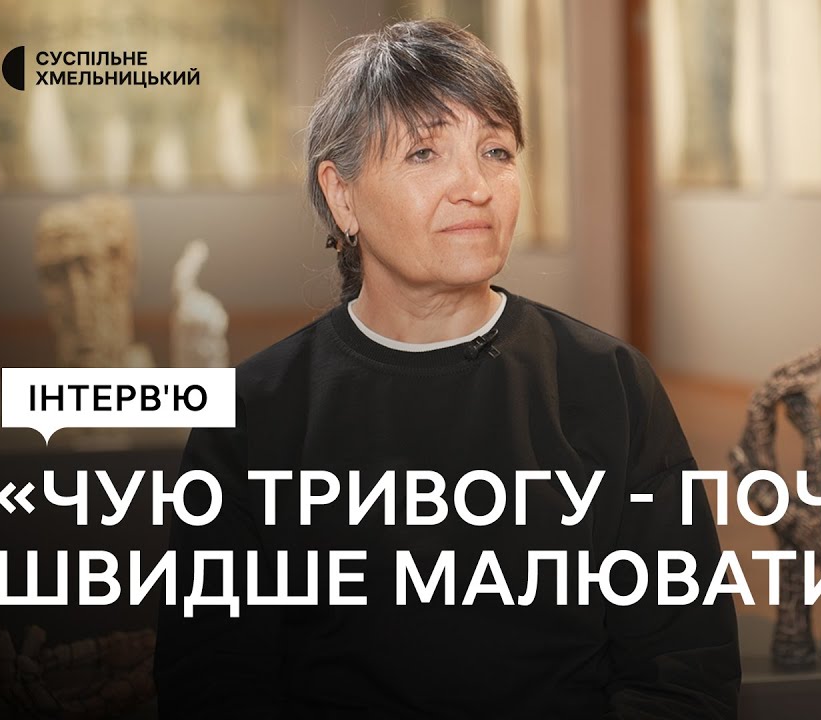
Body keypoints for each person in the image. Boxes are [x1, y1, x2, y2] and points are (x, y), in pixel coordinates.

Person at [153, 19, 740, 719]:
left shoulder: (608, 383)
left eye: (496, 150)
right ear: (342, 196)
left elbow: (683, 669)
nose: (475, 187)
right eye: (425, 152)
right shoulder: (256, 413)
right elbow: (212, 681)